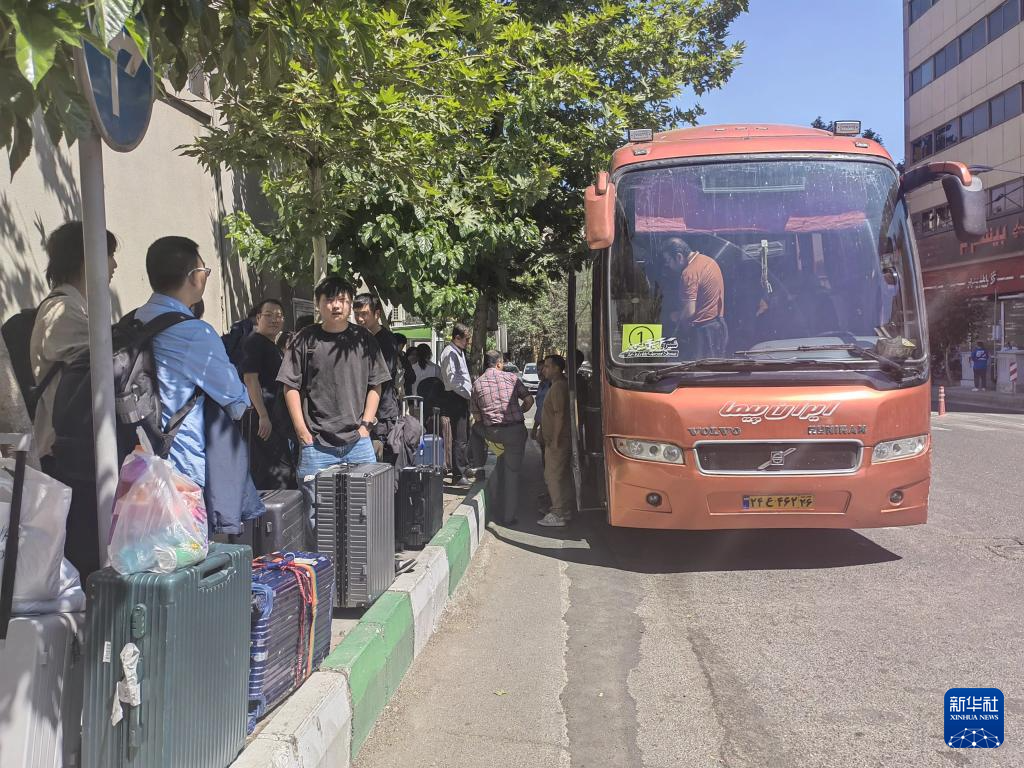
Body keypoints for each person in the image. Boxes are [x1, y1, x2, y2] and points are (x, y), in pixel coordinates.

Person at [30, 221, 118, 577]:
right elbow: (109, 360)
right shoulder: (62, 312)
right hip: (65, 454)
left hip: (70, 451)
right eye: (109, 254)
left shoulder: (75, 308)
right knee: (83, 554)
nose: (114, 265)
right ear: (87, 258)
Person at [135, 237, 251, 488]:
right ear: (193, 276)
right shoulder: (196, 332)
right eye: (205, 270)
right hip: (180, 466)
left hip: (134, 461)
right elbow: (236, 402)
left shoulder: (131, 321)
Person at [277, 277, 390, 517]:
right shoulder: (305, 339)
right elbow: (290, 386)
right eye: (329, 300)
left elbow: (376, 384)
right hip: (316, 444)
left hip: (358, 442)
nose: (336, 305)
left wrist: (365, 426)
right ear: (318, 304)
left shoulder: (364, 339)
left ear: (350, 304)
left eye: (342, 300)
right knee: (316, 514)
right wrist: (302, 432)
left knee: (364, 512)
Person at [471, 350, 533, 525]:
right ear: (499, 363)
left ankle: (478, 466)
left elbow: (477, 417)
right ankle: (508, 518)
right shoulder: (512, 378)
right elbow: (529, 401)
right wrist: (518, 412)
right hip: (515, 431)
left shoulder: (477, 384)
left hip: (492, 433)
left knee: (475, 429)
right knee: (511, 474)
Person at [241, 298, 295, 489]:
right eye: (269, 315)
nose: (274, 319)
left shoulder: (272, 345)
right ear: (258, 318)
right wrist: (263, 415)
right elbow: (250, 379)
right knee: (274, 473)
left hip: (276, 419)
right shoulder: (254, 342)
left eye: (279, 315)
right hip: (264, 420)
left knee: (281, 471)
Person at [353, 293, 402, 457]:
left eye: (364, 314)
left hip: (381, 414)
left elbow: (382, 379)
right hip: (363, 413)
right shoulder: (360, 338)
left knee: (377, 463)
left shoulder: (386, 341)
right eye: (356, 314)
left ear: (377, 314)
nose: (360, 319)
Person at [663, 236, 727, 359]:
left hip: (704, 332)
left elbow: (689, 311)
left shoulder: (689, 273)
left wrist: (674, 317)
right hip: (719, 326)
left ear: (679, 257)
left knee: (701, 369)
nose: (667, 265)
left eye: (668, 260)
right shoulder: (708, 261)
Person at [536, 355, 573, 527]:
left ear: (557, 368)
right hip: (555, 439)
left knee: (552, 476)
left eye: (547, 366)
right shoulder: (558, 385)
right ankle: (563, 508)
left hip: (557, 441)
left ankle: (558, 512)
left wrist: (555, 439)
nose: (544, 370)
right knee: (559, 476)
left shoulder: (558, 387)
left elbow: (560, 415)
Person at [439, 323, 475, 487]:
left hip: (462, 397)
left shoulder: (459, 352)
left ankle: (464, 466)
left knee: (465, 435)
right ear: (457, 337)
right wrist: (468, 393)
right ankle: (458, 474)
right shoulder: (450, 353)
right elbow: (453, 381)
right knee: (459, 437)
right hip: (455, 397)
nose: (468, 342)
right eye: (466, 339)